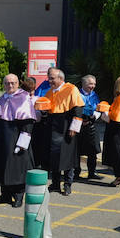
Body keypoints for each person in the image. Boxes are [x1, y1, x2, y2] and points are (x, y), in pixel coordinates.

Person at [0, 73, 37, 206]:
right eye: (7, 83)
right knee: (1, 164)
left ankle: (18, 195)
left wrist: (22, 144)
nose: (10, 85)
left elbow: (28, 123)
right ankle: (5, 194)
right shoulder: (2, 98)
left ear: (18, 84)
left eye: (13, 83)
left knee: (17, 167)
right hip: (1, 136)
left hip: (15, 136)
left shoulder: (24, 98)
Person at [38, 66, 84, 195]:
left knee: (67, 156)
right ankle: (55, 184)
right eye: (49, 78)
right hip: (53, 126)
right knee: (54, 156)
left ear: (60, 78)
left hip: (66, 125)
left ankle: (68, 184)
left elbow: (78, 109)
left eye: (52, 78)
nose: (49, 81)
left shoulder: (71, 89)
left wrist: (74, 127)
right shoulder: (50, 92)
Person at [75, 74, 103, 180]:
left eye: (94, 84)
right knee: (77, 150)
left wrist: (93, 118)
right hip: (79, 124)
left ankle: (92, 172)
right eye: (90, 84)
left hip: (91, 124)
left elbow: (98, 108)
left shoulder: (94, 95)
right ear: (84, 83)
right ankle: (76, 172)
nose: (93, 86)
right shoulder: (77, 94)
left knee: (92, 151)